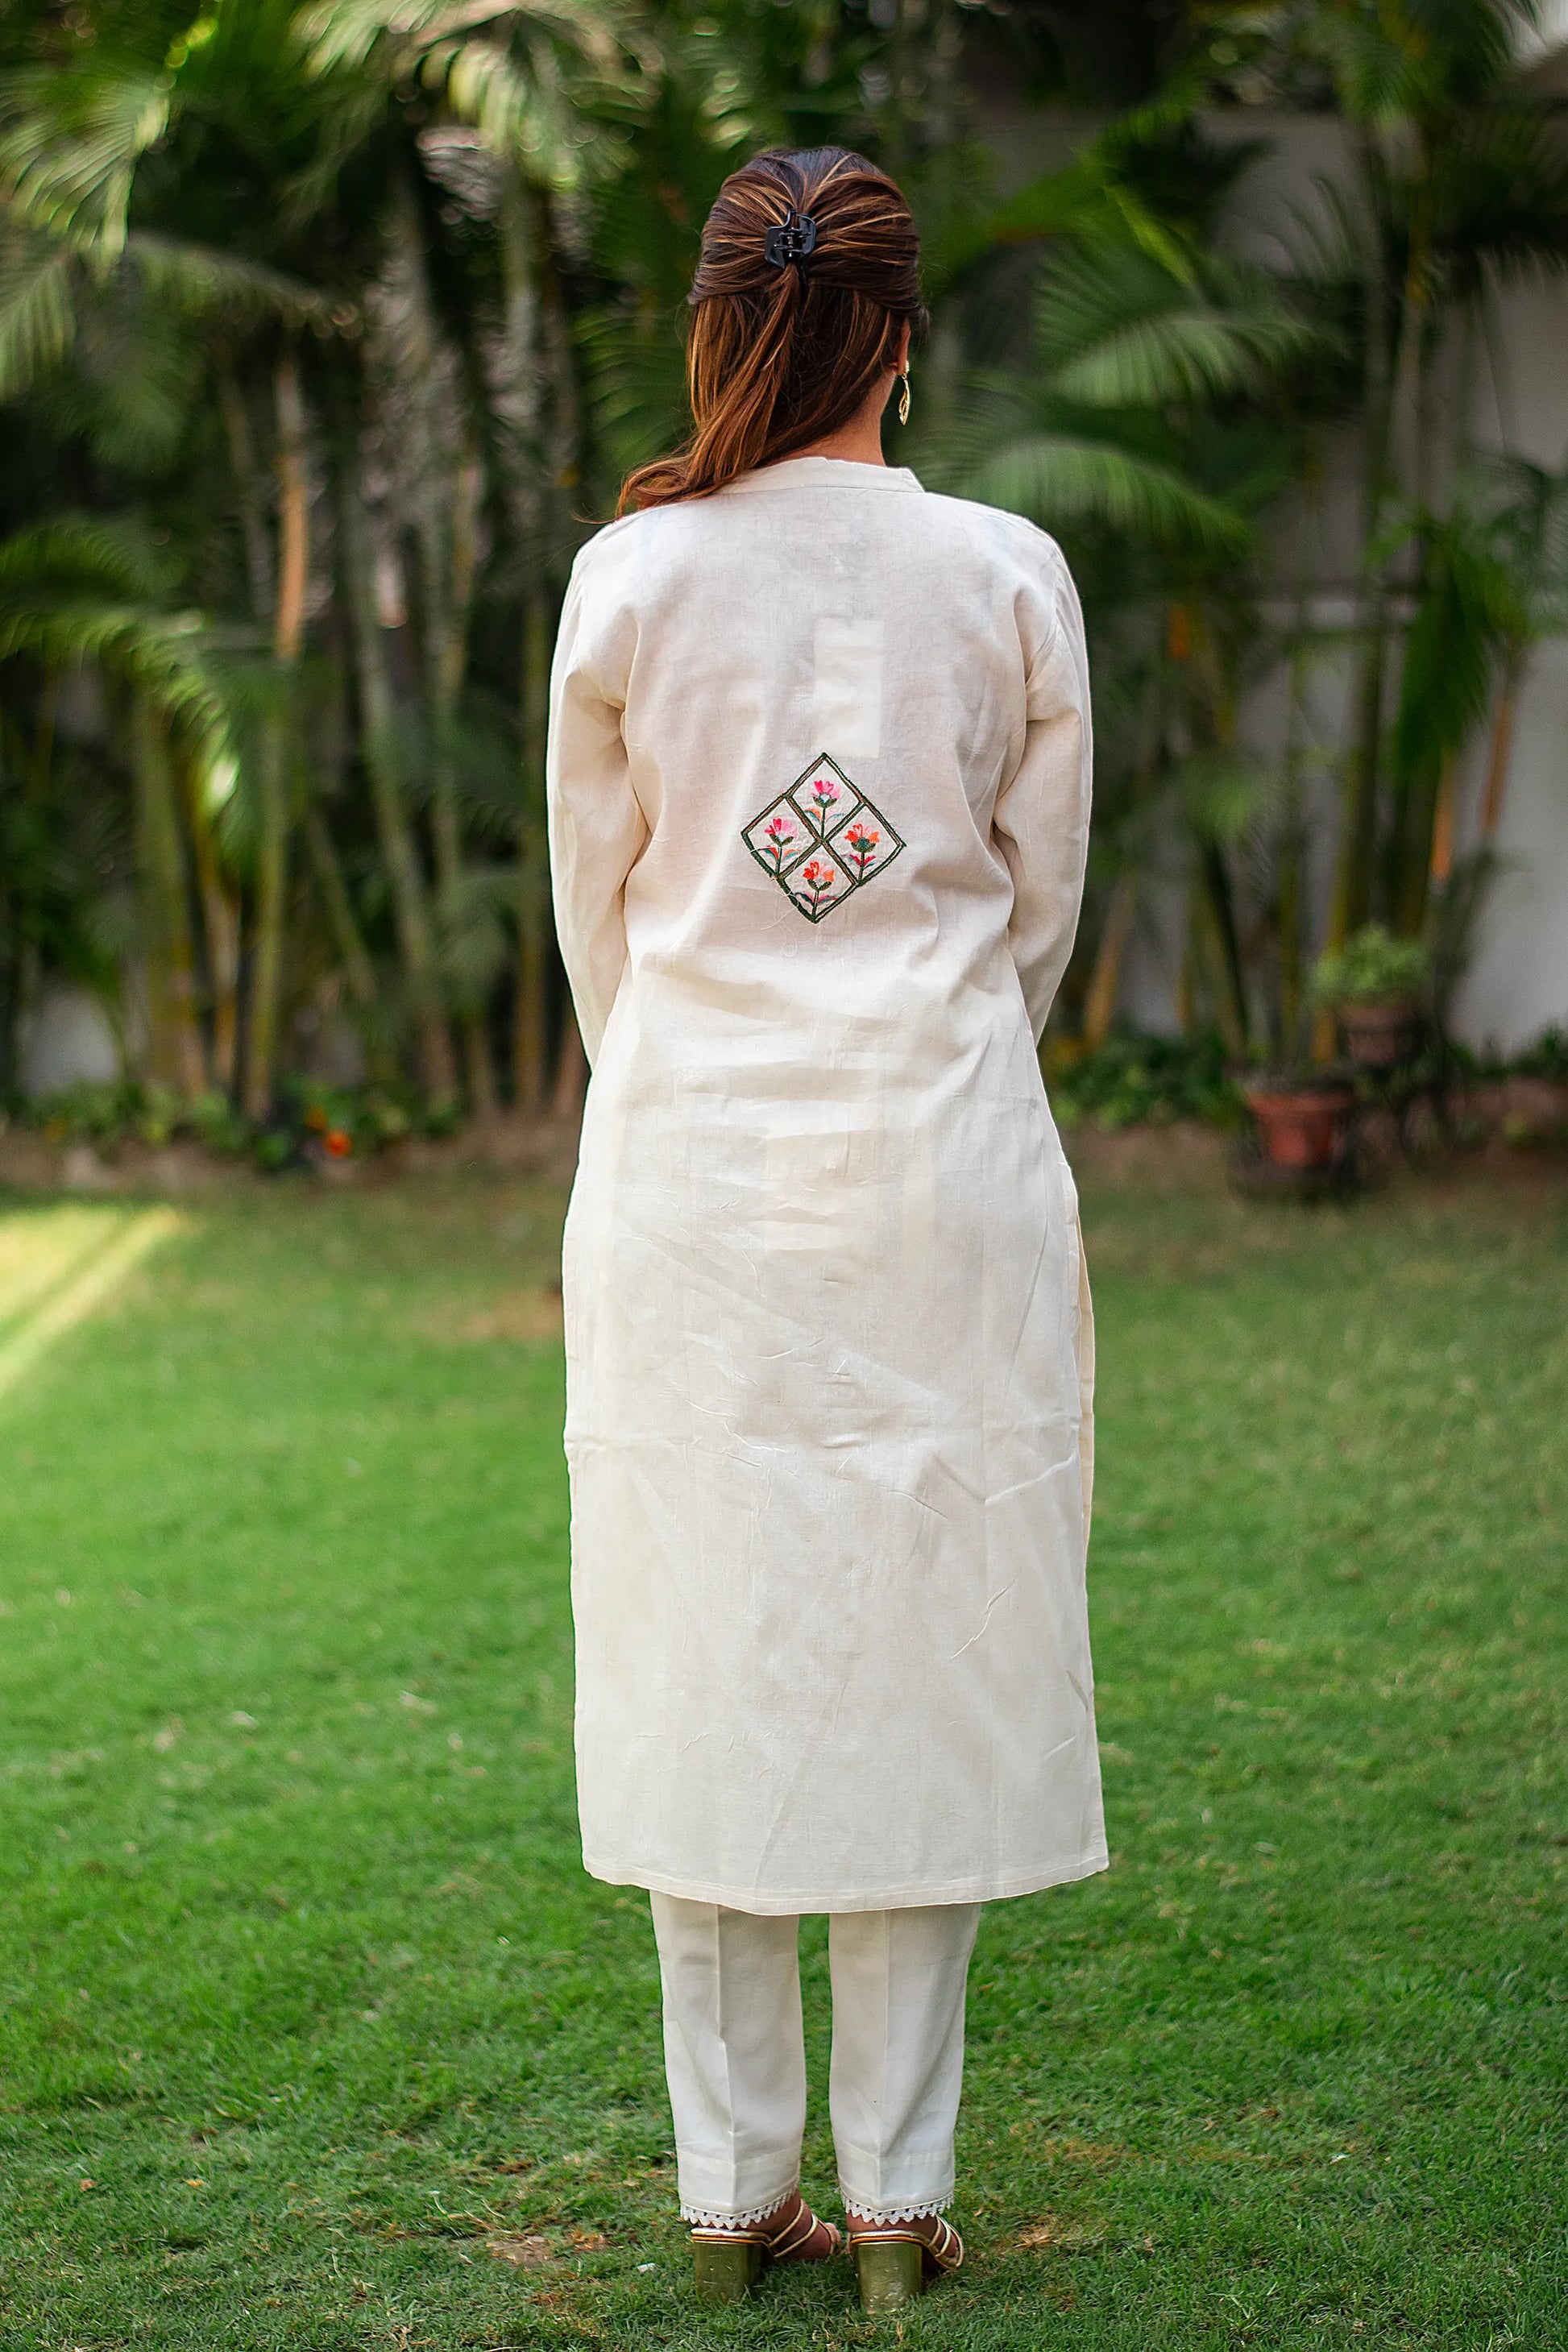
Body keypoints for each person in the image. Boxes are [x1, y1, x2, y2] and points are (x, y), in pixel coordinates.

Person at [545, 143, 1105, 2314]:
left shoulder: (630, 584)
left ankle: (722, 2193)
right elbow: (1030, 910)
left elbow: (605, 923)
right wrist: (922, 1042)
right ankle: (894, 2202)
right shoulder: (1004, 570)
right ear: (901, 331)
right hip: (939, 1170)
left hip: (688, 1177)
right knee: (925, 1646)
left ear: (718, 322)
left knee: (702, 1649)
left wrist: (697, 1063)